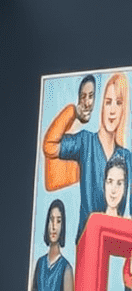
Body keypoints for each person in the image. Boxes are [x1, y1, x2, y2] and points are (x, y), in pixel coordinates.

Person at [42, 71, 132, 239]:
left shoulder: (127, 157)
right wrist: (73, 112)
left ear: (123, 110)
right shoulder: (85, 141)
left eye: (118, 103)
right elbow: (49, 146)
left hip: (117, 244)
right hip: (87, 239)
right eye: (108, 102)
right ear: (101, 106)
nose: (112, 110)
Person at [43, 75, 95, 192]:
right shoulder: (69, 119)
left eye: (91, 96)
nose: (86, 102)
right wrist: (73, 111)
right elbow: (49, 146)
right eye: (83, 97)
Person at [31, 199, 74, 291]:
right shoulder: (40, 263)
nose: (54, 226)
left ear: (63, 225)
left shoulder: (66, 268)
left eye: (58, 221)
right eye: (51, 220)